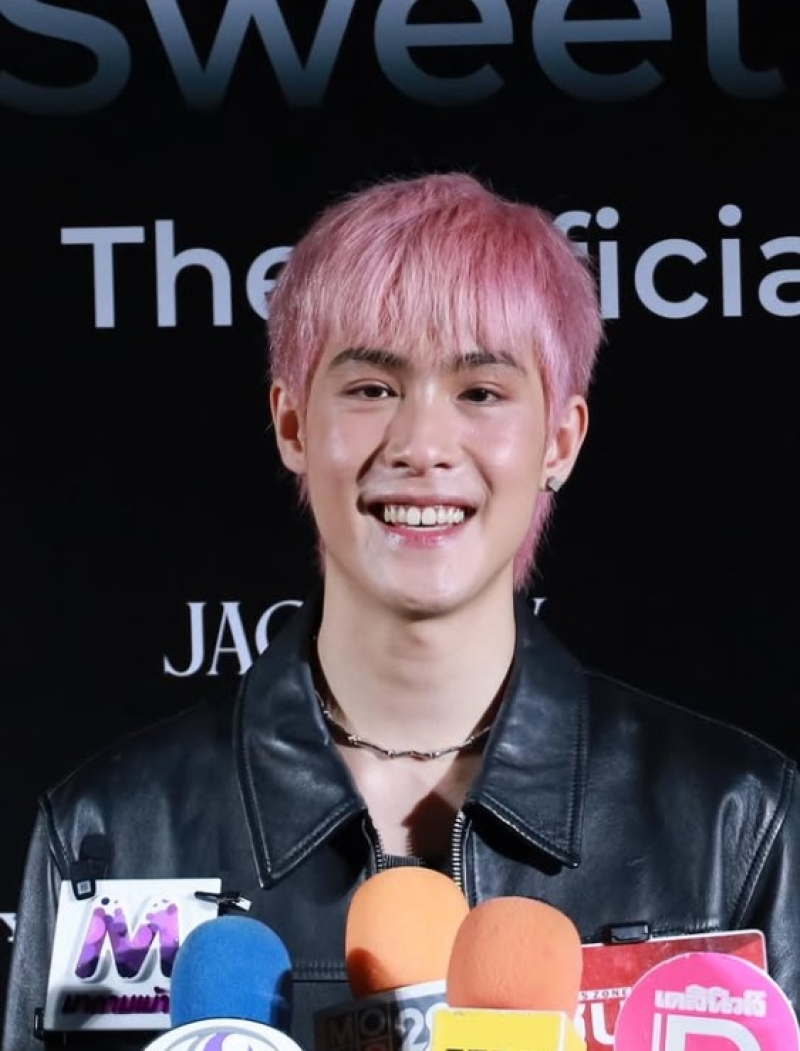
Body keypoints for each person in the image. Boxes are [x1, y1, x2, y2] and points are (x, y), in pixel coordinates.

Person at [3, 171, 800, 1051]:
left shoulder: (733, 819)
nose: (423, 446)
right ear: (293, 425)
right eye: (373, 388)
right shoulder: (111, 829)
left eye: (481, 392)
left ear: (560, 440)